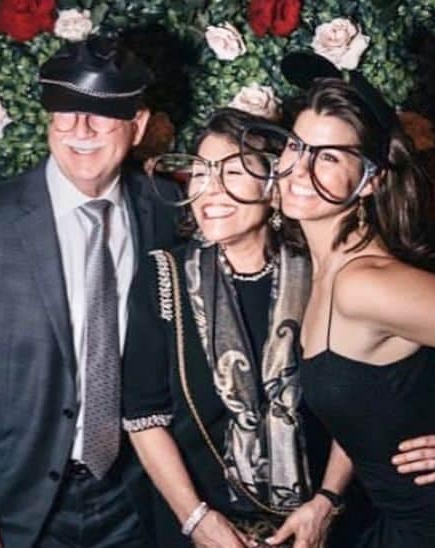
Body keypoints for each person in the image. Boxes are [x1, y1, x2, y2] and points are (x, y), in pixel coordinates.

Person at [243, 52, 435, 547]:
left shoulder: (367, 283)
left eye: (328, 156)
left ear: (370, 181)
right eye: (297, 146)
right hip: (406, 523)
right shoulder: (328, 271)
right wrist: (326, 499)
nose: (299, 168)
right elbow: (364, 408)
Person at [0, 37, 181, 548]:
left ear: (139, 125)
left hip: (138, 501)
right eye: (65, 113)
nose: (81, 130)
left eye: (101, 114)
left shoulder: (164, 207)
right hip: (19, 508)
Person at [122, 108, 344, 548]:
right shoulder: (162, 275)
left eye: (235, 172)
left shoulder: (327, 275)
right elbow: (143, 418)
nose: (210, 190)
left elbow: (360, 406)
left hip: (318, 528)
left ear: (274, 187)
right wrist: (198, 522)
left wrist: (326, 503)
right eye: (200, 173)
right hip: (201, 526)